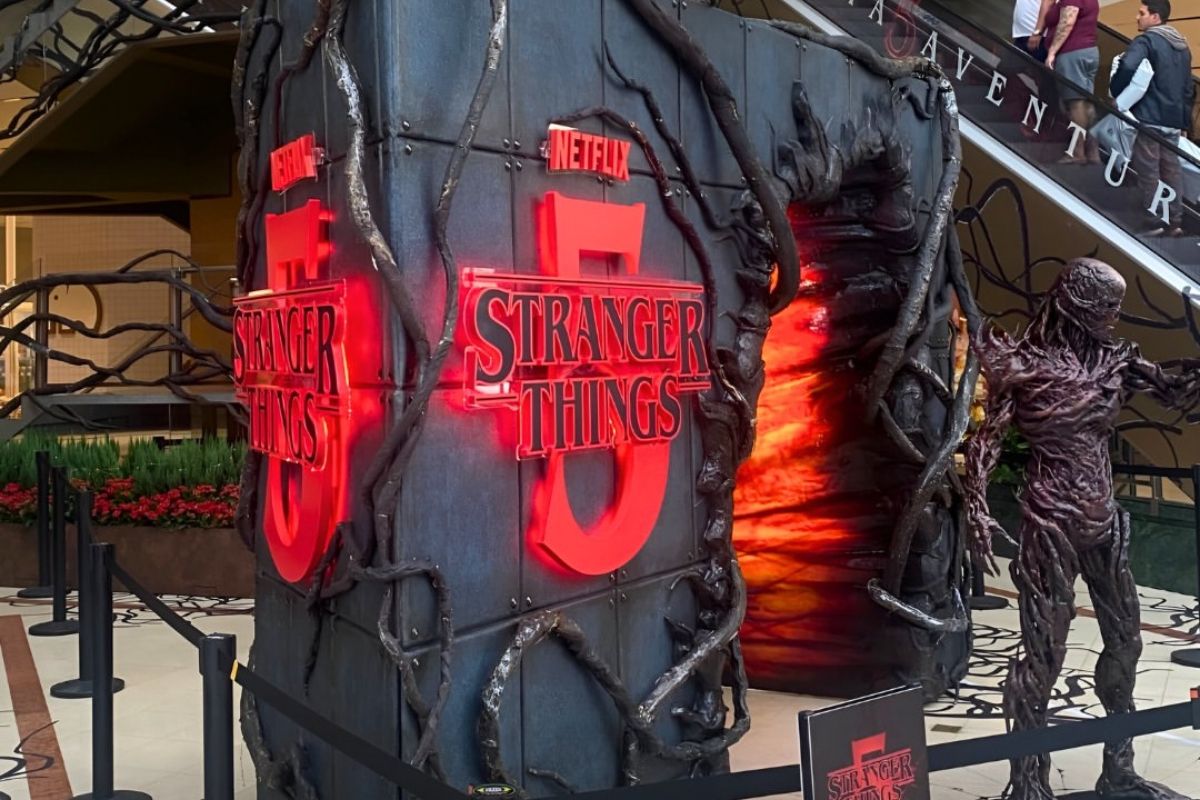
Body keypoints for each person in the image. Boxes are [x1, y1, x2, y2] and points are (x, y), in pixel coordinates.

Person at [1110, 0, 1194, 236]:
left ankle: (1153, 219)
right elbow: (1189, 90)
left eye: (1142, 13)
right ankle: (1175, 221)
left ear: (1155, 17)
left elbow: (1128, 66)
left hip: (1150, 117)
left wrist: (1116, 92)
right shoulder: (1183, 47)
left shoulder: (1147, 41)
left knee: (1148, 171)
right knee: (1171, 170)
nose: (1137, 17)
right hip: (1173, 121)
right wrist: (1184, 122)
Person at [1044, 0, 1102, 164]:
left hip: (1073, 52)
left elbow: (1067, 21)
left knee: (1074, 104)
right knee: (1086, 105)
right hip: (1088, 51)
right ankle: (1092, 152)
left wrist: (1052, 52)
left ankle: (1077, 152)